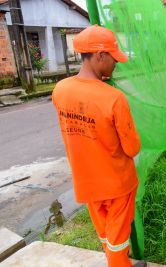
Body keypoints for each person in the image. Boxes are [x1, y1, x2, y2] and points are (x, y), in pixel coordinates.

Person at [52, 25, 141, 267]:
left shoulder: (60, 90)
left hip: (87, 181)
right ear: (100, 56)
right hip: (117, 183)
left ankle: (120, 261)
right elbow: (132, 148)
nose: (116, 64)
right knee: (118, 238)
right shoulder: (113, 97)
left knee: (106, 235)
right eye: (114, 58)